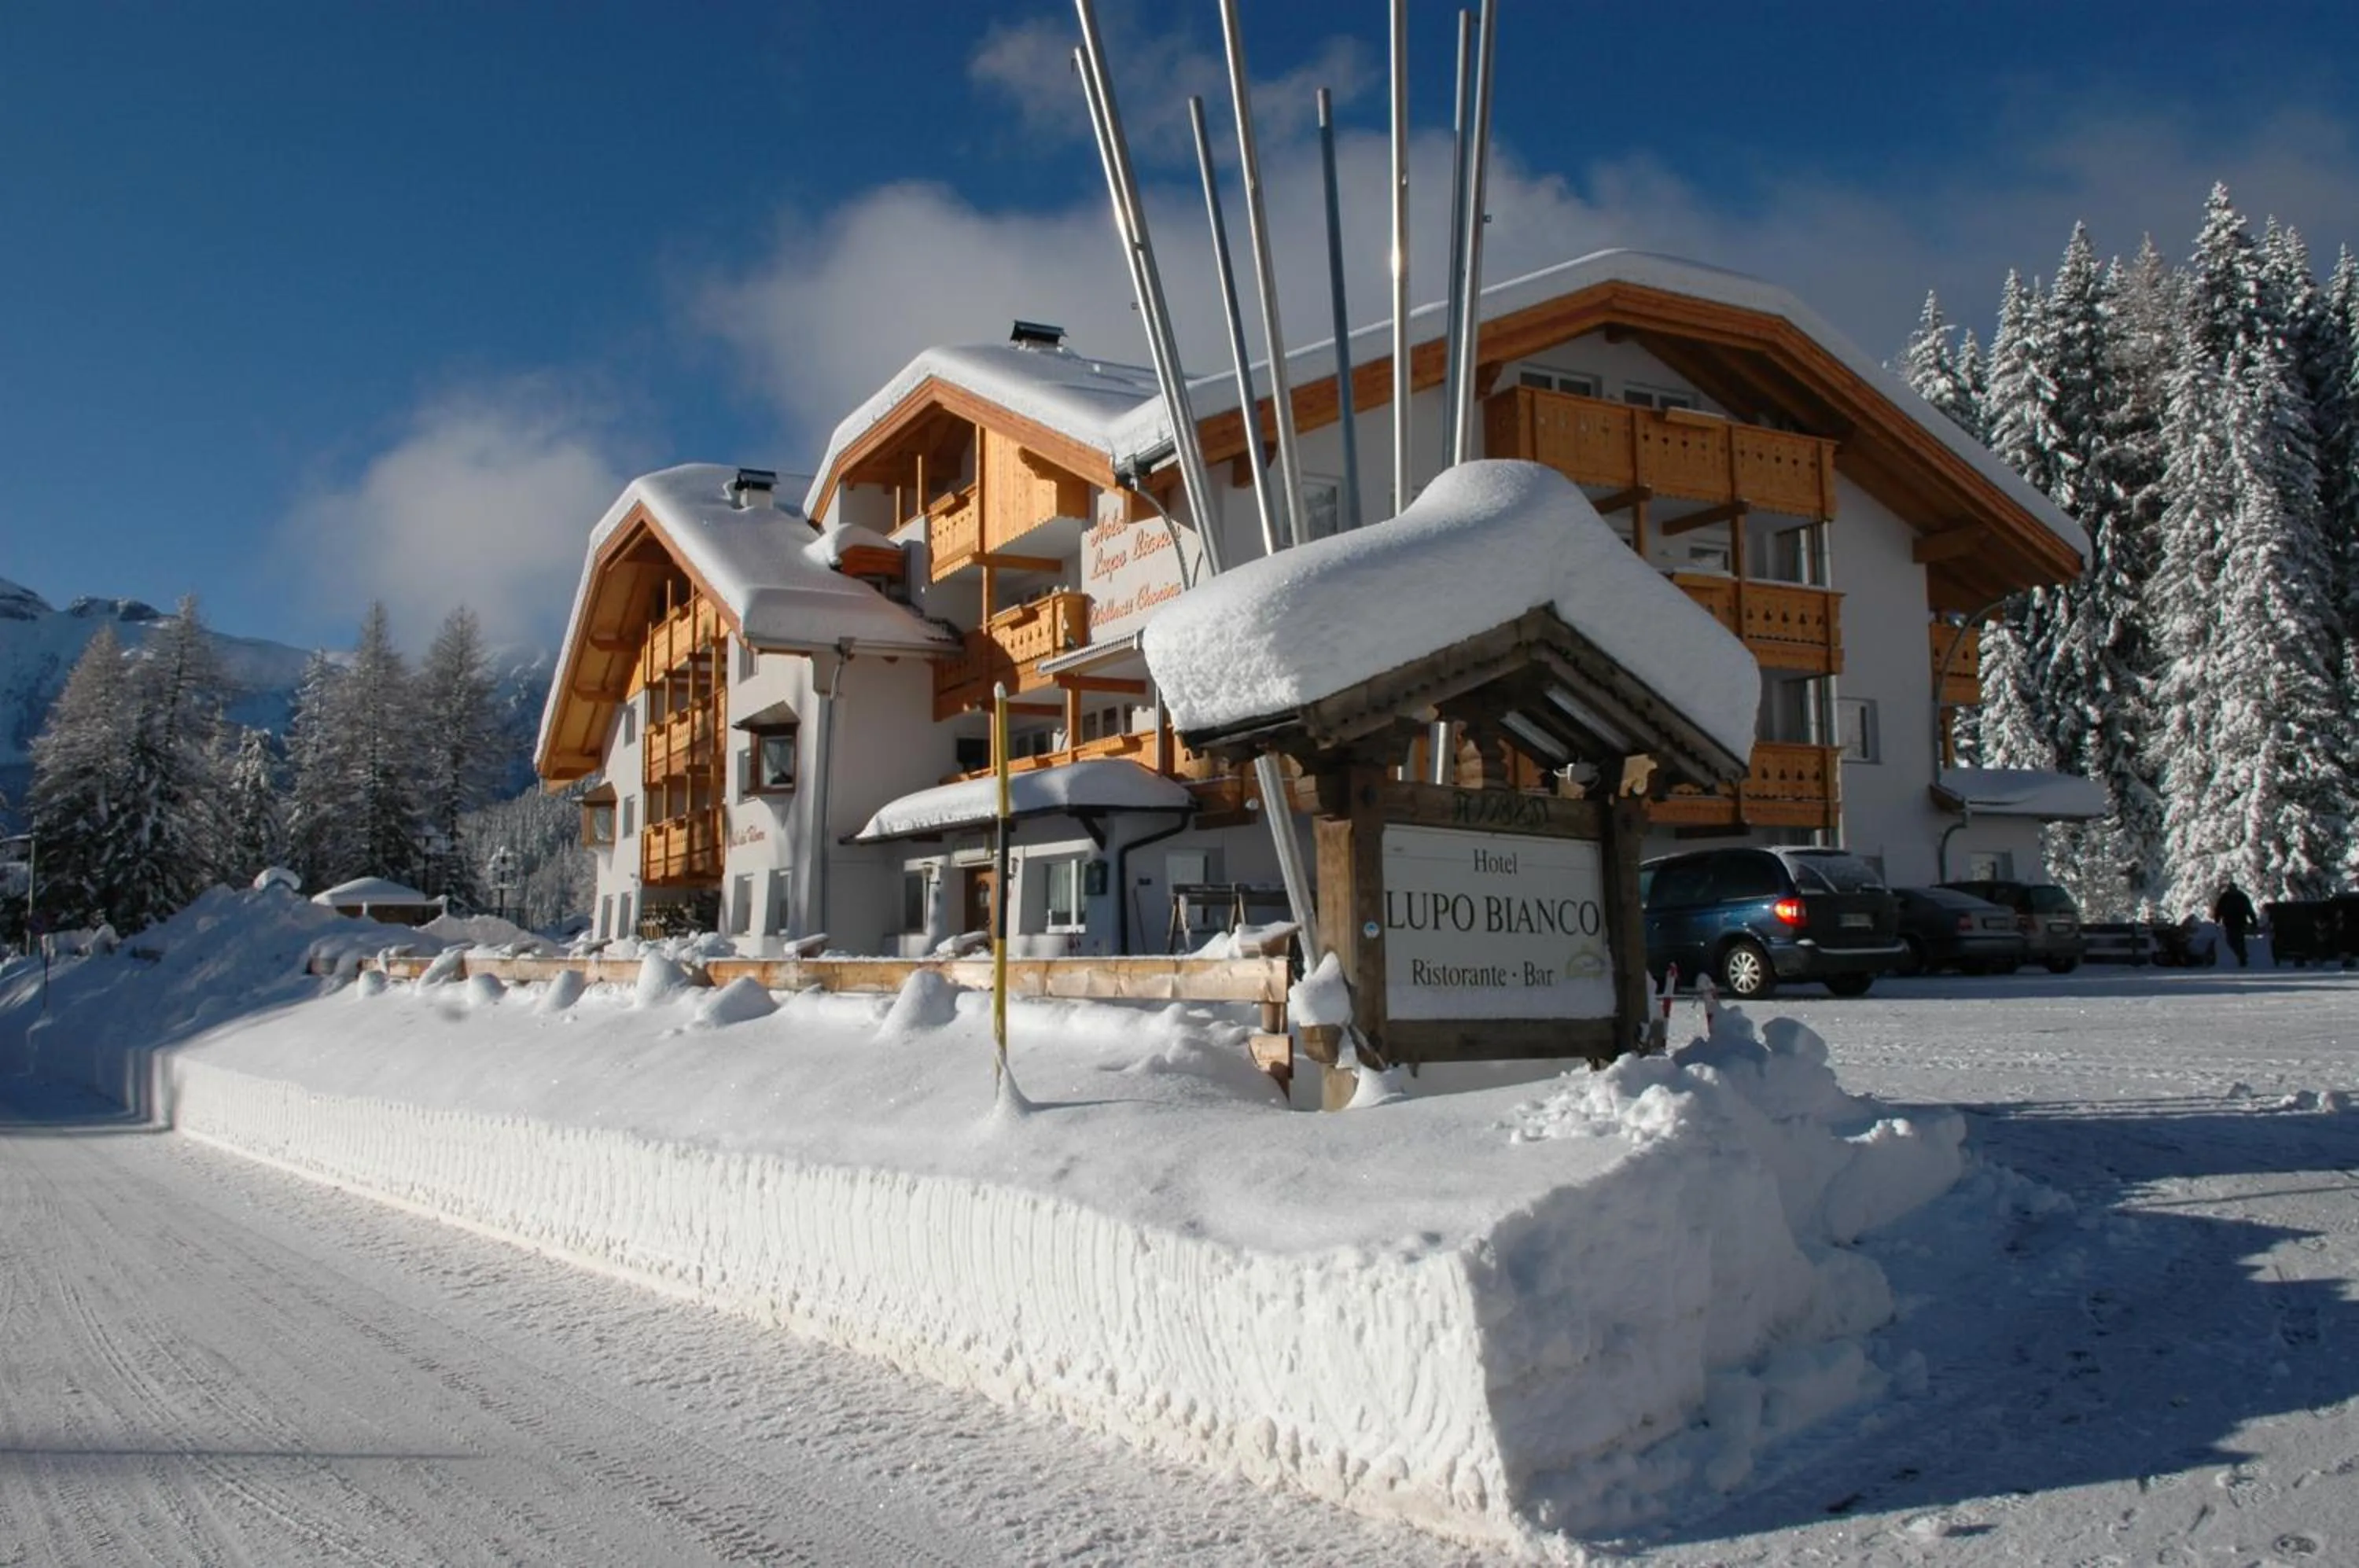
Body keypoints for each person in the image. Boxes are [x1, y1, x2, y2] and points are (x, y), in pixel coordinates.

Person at [2213, 882, 2257, 969]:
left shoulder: (2240, 897)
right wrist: (2217, 918)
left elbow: (2249, 909)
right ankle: (2241, 955)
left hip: (2239, 922)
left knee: (2238, 940)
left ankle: (2242, 957)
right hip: (2230, 923)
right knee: (2232, 940)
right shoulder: (2226, 897)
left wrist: (2254, 920)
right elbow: (2219, 909)